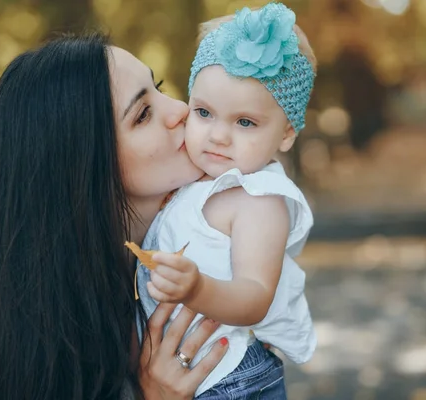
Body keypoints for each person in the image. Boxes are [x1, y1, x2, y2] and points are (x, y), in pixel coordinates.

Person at [0, 32, 229, 400]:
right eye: (143, 114)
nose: (180, 108)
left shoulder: (206, 259)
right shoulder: (43, 366)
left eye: (158, 86)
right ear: (80, 169)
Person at [134, 3, 317, 398]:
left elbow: (255, 296)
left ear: (286, 134)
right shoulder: (196, 180)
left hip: (230, 377)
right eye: (203, 112)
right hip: (189, 368)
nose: (218, 135)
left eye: (245, 122)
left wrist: (197, 287)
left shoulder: (260, 200)